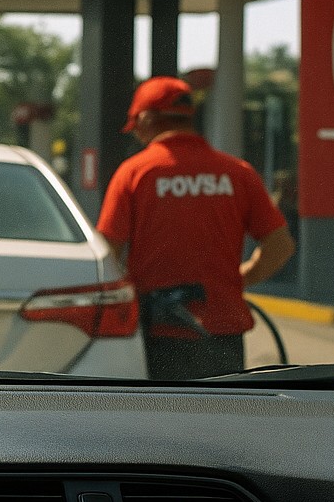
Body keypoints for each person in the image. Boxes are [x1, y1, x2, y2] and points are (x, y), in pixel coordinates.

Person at [96, 76, 297, 380]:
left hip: (159, 332)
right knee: (219, 422)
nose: (137, 134)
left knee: (162, 422)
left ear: (147, 118)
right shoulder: (237, 173)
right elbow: (280, 246)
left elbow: (106, 253)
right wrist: (237, 280)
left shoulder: (135, 173)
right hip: (222, 333)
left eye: (136, 125)